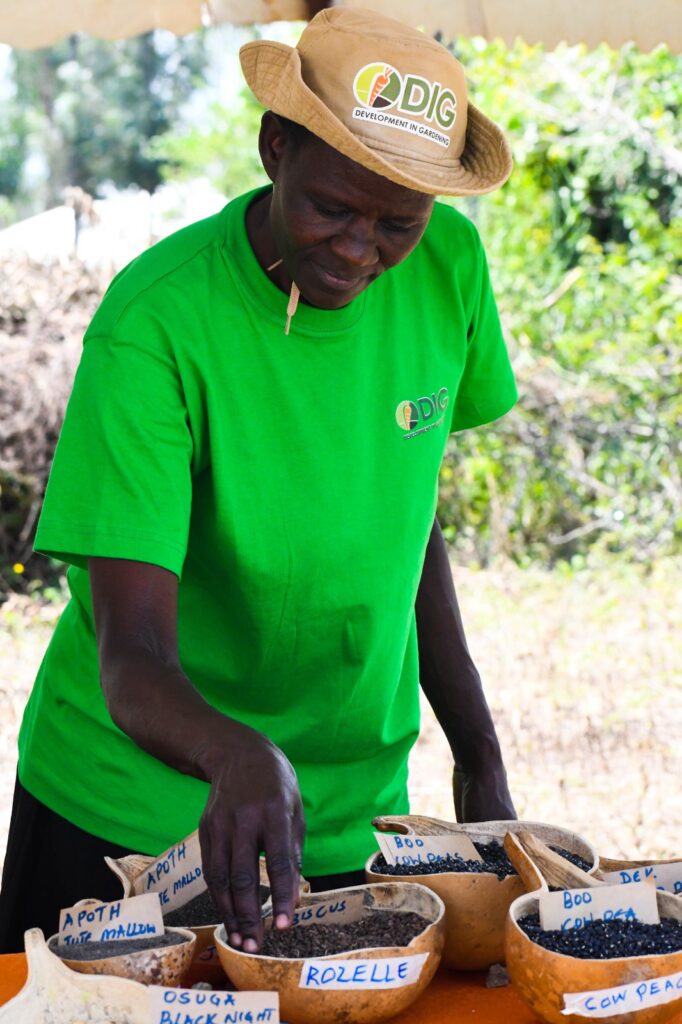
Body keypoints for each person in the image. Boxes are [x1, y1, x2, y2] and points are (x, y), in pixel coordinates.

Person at [0, 7, 518, 954]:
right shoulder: (156, 325)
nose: (362, 251)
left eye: (397, 222)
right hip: (133, 815)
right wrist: (238, 752)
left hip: (346, 814)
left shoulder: (450, 268)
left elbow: (410, 522)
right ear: (276, 145)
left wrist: (477, 752)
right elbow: (133, 656)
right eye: (333, 208)